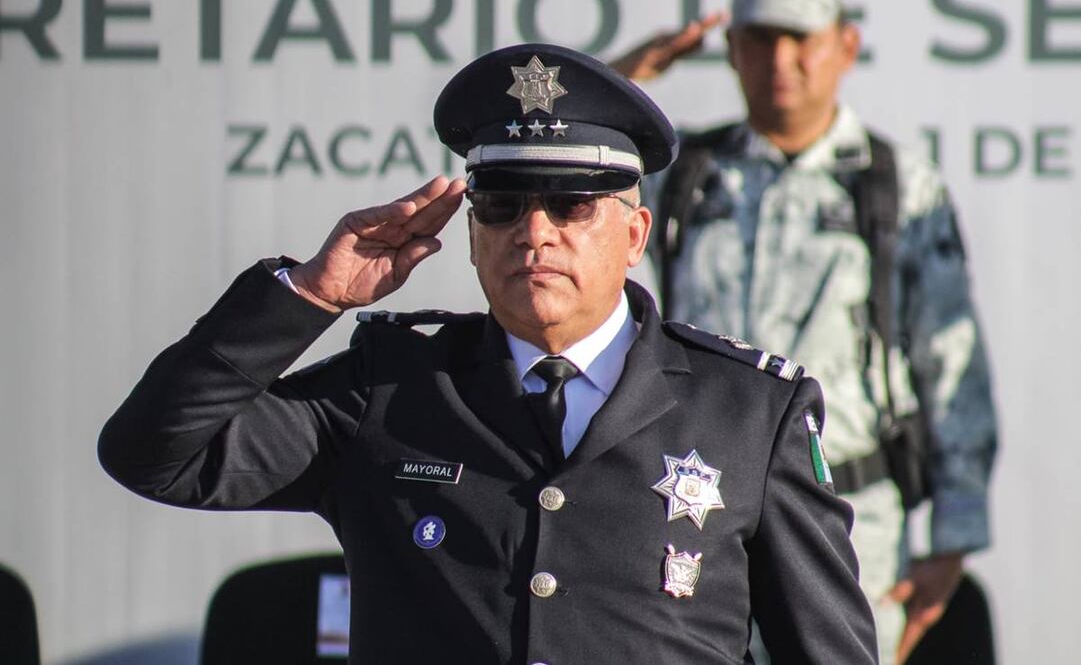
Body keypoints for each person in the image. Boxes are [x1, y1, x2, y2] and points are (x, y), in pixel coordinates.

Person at [99, 43, 878, 663]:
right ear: (471, 233)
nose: (533, 234)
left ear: (635, 235)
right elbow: (153, 455)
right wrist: (309, 294)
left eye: (571, 206)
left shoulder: (750, 411)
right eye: (502, 205)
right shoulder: (391, 389)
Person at [611, 0, 998, 663]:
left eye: (800, 40)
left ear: (845, 47)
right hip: (694, 507)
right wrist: (617, 85)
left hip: (850, 519)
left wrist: (951, 535)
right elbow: (570, 179)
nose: (779, 61)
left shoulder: (897, 184)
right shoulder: (684, 176)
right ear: (732, 49)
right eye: (759, 40)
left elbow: (949, 360)